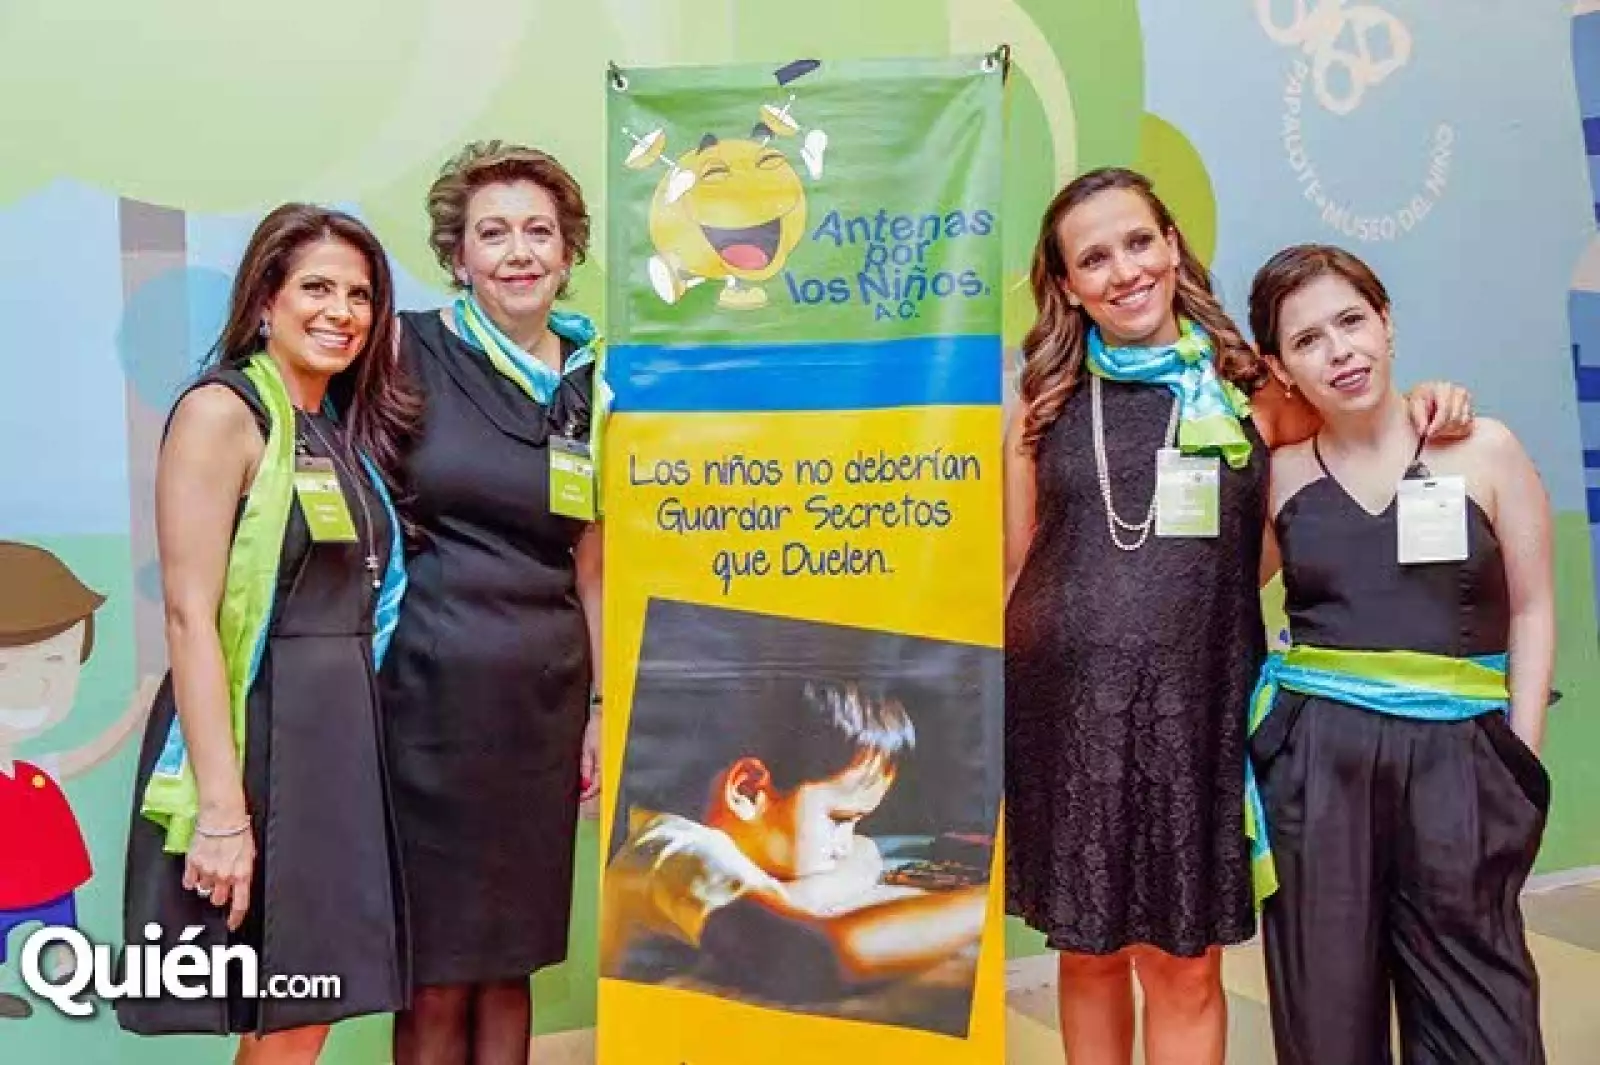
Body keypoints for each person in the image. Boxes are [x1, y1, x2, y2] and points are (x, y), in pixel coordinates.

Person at [1002, 167, 1476, 1065]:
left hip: (1196, 713)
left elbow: (1358, 430)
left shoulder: (1255, 388)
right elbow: (1019, 562)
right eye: (1093, 258)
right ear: (1066, 285)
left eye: (1138, 242)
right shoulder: (1042, 398)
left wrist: (1428, 404)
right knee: (1090, 956)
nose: (1124, 270)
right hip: (1061, 716)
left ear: (1172, 244)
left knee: (1184, 963)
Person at [117, 203, 415, 1063]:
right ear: (264, 303)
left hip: (338, 747)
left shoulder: (341, 430)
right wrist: (221, 809)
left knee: (305, 1010)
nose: (341, 311)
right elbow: (189, 614)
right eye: (315, 287)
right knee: (285, 1012)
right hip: (259, 741)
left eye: (360, 294)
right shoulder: (224, 412)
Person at [1246, 244, 1552, 1064]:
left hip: (1463, 765)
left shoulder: (1482, 448)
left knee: (1486, 1025)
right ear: (1280, 367)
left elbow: (1532, 605)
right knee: (1326, 1025)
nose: (1339, 350)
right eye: (1307, 340)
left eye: (1351, 320)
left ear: (1387, 321)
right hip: (1318, 771)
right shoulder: (1276, 480)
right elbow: (1215, 604)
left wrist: (1518, 759)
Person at [381, 140, 603, 1065]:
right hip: (424, 696)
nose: (519, 251)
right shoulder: (404, 349)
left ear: (567, 251)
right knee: (435, 972)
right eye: (494, 232)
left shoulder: (599, 381)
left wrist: (598, 709)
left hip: (541, 705)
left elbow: (592, 563)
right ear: (458, 255)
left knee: (510, 966)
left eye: (538, 231)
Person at [599, 679, 986, 1002]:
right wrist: (985, 903)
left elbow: (866, 852)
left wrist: (804, 897)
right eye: (838, 820)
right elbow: (812, 959)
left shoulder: (725, 845)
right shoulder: (675, 854)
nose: (844, 845)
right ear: (748, 790)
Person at [0, 543, 155, 1021]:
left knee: (60, 929)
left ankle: (69, 975)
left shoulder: (35, 771)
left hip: (49, 881)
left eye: (55, 661)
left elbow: (84, 755)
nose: (37, 685)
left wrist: (135, 712)